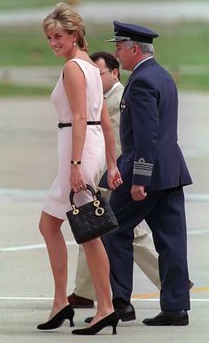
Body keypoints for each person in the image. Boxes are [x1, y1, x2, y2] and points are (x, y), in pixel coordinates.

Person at [99, 21, 192, 326]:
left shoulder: (140, 82)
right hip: (171, 171)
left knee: (113, 229)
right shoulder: (162, 76)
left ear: (134, 49)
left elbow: (146, 135)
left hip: (147, 174)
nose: (117, 54)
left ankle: (120, 302)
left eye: (119, 48)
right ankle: (176, 308)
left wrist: (139, 179)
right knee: (171, 240)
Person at [37, 3, 123, 336]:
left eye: (58, 36)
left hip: (78, 152)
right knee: (51, 225)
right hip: (87, 149)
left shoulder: (74, 68)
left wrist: (75, 166)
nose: (53, 43)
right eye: (49, 37)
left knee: (88, 233)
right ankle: (62, 302)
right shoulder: (89, 65)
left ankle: (105, 307)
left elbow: (78, 119)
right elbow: (103, 120)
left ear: (74, 35)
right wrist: (111, 162)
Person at [68, 51, 161, 312]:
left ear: (114, 74)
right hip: (97, 177)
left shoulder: (119, 99)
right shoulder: (99, 100)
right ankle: (85, 291)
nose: (93, 82)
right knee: (90, 230)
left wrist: (110, 176)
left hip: (112, 178)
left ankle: (171, 280)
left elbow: (121, 145)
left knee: (129, 233)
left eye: (98, 75)